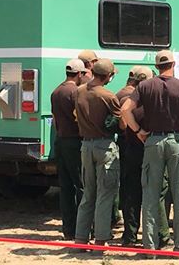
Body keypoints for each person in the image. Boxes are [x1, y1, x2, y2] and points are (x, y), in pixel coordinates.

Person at [121, 50, 179, 255]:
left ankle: (149, 247)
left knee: (151, 194)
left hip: (152, 141)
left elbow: (126, 109)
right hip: (177, 142)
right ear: (173, 64)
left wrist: (138, 131)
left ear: (157, 65)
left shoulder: (144, 86)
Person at [116, 66, 171, 247]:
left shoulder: (126, 100)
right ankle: (161, 235)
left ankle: (130, 237)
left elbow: (123, 126)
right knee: (156, 193)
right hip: (151, 150)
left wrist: (136, 130)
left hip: (131, 150)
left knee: (130, 194)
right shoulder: (155, 103)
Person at [73, 58, 121, 252]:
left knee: (88, 194)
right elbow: (122, 122)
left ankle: (80, 239)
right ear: (108, 76)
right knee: (105, 193)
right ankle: (101, 240)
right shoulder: (109, 96)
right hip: (105, 146)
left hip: (86, 146)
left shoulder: (79, 91)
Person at [51, 58, 86, 240]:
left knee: (65, 187)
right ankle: (82, 228)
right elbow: (79, 118)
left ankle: (68, 229)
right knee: (81, 185)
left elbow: (55, 119)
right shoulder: (76, 92)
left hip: (60, 141)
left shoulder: (56, 91)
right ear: (79, 74)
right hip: (74, 142)